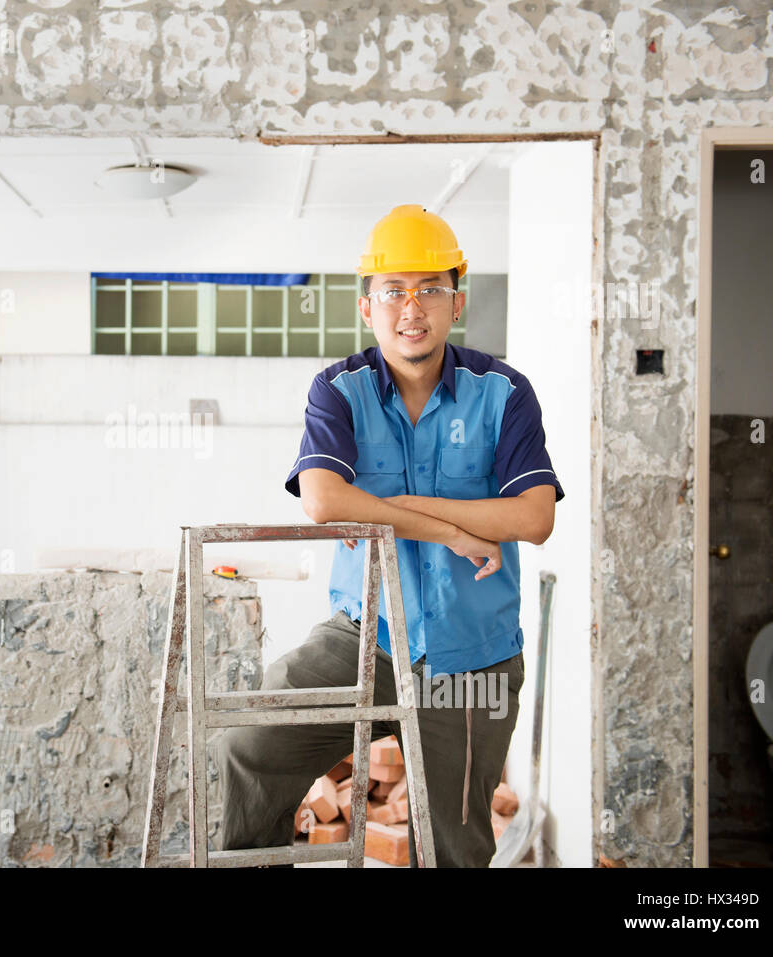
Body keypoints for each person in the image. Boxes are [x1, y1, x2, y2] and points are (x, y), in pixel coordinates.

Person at [213, 204, 565, 867]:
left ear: (456, 302)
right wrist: (452, 527)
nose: (413, 306)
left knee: (455, 842)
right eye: (394, 289)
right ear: (366, 306)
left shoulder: (504, 393)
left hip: (471, 652)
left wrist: (390, 504)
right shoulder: (337, 392)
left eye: (431, 288)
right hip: (362, 635)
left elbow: (533, 515)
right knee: (250, 740)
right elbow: (323, 501)